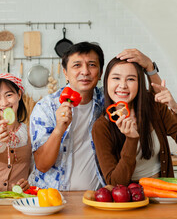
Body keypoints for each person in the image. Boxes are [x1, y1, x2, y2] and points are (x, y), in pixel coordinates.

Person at [28, 42, 162, 191]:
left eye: (92, 65)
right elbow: (42, 165)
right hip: (53, 196)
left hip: (98, 197)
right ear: (65, 73)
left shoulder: (108, 100)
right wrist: (59, 129)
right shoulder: (46, 108)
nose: (85, 71)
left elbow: (157, 102)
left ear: (100, 73)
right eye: (77, 65)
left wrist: (150, 67)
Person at [92, 58, 177, 186]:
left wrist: (176, 109)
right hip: (131, 199)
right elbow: (116, 182)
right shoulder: (101, 126)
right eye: (116, 78)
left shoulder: (154, 106)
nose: (122, 85)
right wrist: (131, 140)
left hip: (163, 193)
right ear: (106, 82)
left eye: (131, 79)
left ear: (140, 83)